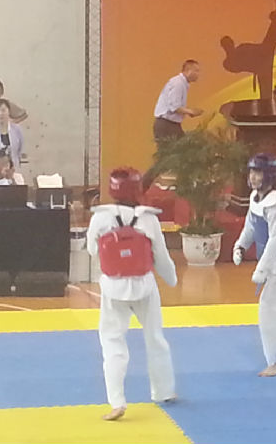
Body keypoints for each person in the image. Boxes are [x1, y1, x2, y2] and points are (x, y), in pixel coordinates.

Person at [86, 167, 178, 421]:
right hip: (144, 285)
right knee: (155, 338)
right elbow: (161, 256)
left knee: (112, 342)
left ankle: (117, 401)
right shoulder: (148, 219)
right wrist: (172, 280)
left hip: (113, 287)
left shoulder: (101, 218)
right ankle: (164, 391)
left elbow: (92, 250)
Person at [232, 154, 276, 377]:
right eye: (252, 172)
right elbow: (250, 226)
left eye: (258, 173)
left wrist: (261, 269)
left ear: (269, 175)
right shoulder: (255, 198)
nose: (253, 177)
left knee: (268, 306)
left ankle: (275, 361)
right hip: (273, 261)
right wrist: (240, 246)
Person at [153, 60, 203, 145]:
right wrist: (191, 111)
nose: (198, 74)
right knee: (177, 150)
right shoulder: (178, 83)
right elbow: (174, 107)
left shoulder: (181, 83)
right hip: (167, 125)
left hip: (171, 124)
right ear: (188, 71)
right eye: (196, 71)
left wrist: (188, 111)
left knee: (183, 148)